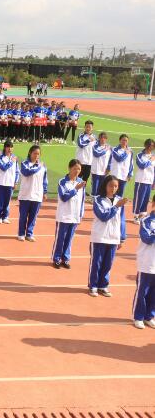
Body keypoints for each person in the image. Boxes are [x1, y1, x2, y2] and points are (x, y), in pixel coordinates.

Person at [88, 175, 127, 297]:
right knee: (97, 263)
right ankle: (93, 285)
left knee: (108, 264)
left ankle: (103, 285)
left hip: (113, 237)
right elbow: (103, 216)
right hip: (100, 236)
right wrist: (116, 206)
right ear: (105, 185)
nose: (113, 188)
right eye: (111, 185)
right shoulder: (98, 200)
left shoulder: (119, 200)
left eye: (116, 186)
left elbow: (122, 220)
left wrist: (122, 237)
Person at [52, 159, 87, 269]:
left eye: (79, 169)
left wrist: (81, 215)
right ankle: (56, 258)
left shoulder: (81, 182)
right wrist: (75, 189)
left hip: (75, 216)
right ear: (69, 168)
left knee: (69, 239)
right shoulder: (62, 181)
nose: (77, 171)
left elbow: (82, 199)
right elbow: (63, 197)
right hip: (64, 215)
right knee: (60, 238)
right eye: (75, 168)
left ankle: (65, 259)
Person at [17, 145, 48, 242]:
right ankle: (21, 233)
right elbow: (26, 172)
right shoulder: (24, 163)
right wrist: (38, 166)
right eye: (35, 153)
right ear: (30, 153)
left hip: (37, 195)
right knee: (23, 216)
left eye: (38, 154)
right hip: (25, 194)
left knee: (33, 217)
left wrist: (45, 191)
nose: (36, 156)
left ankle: (29, 234)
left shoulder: (43, 166)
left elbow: (44, 180)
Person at [132, 194, 154, 329]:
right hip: (147, 261)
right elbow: (147, 238)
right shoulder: (146, 220)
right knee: (143, 291)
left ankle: (149, 316)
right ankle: (138, 316)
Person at [0, 140, 19, 224]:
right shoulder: (0, 157)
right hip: (1, 182)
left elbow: (17, 171)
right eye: (8, 147)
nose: (10, 149)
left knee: (7, 201)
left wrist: (15, 182)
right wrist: (11, 161)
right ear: (5, 148)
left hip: (10, 183)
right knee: (1, 200)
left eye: (11, 147)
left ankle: (5, 216)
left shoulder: (14, 158)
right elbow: (3, 167)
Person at [133, 139, 154, 223]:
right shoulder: (139, 155)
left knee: (145, 200)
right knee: (139, 199)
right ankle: (136, 216)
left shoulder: (153, 156)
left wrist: (154, 182)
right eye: (149, 145)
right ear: (145, 145)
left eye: (152, 146)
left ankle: (142, 215)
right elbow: (141, 165)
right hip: (140, 180)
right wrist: (150, 160)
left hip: (149, 181)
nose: (150, 147)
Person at [109, 134, 133, 198]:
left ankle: (118, 207)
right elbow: (119, 159)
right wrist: (126, 153)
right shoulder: (114, 149)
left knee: (121, 193)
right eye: (123, 140)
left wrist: (130, 174)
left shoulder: (130, 151)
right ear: (120, 140)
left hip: (124, 175)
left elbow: (131, 163)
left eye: (126, 140)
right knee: (113, 191)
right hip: (115, 174)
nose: (124, 142)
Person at [75, 120, 96, 187]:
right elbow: (81, 144)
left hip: (89, 162)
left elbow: (96, 148)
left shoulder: (94, 137)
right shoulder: (81, 136)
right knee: (78, 176)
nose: (88, 128)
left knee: (86, 177)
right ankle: (75, 188)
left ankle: (83, 189)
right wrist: (89, 140)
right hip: (80, 161)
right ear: (84, 127)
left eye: (89, 127)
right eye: (87, 127)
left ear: (92, 128)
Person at [91, 132, 111, 197]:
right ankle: (93, 197)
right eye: (101, 138)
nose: (103, 139)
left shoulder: (109, 148)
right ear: (99, 138)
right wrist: (105, 149)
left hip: (104, 170)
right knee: (95, 186)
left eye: (104, 138)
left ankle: (99, 198)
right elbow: (97, 154)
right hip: (96, 169)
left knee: (102, 186)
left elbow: (110, 159)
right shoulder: (95, 146)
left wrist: (108, 168)